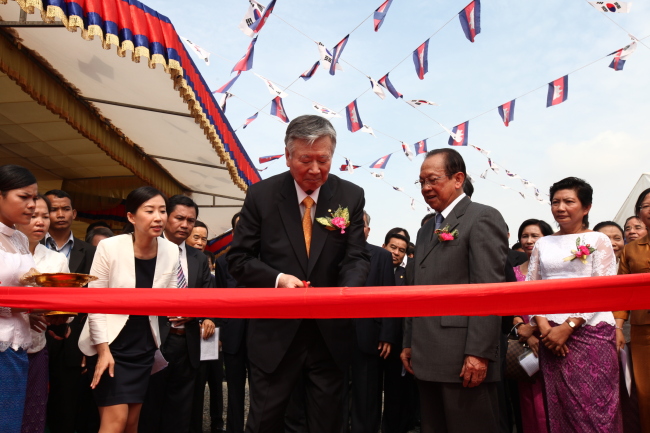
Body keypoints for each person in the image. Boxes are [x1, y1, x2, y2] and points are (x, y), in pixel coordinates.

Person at [227, 115, 370, 433]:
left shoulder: (350, 197)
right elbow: (238, 258)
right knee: (264, 422)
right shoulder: (262, 196)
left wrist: (344, 293)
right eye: (306, 159)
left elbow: (356, 257)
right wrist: (277, 280)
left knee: (328, 425)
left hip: (329, 336)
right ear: (288, 154)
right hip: (275, 336)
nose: (316, 169)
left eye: (324, 159)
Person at [401, 148, 507, 433]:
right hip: (426, 356)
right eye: (421, 182)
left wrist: (479, 353)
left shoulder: (482, 217)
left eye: (433, 180)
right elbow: (416, 289)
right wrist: (409, 341)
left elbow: (489, 290)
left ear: (458, 178)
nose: (426, 188)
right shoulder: (425, 231)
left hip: (464, 358)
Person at [78, 186, 180, 433]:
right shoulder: (110, 247)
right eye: (150, 210)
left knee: (132, 425)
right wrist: (103, 351)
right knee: (115, 423)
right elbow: (95, 302)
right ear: (131, 217)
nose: (158, 217)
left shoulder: (171, 250)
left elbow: (171, 297)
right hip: (110, 346)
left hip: (144, 347)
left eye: (163, 211)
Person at [528, 177, 621, 433]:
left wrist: (569, 325)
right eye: (555, 202)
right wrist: (546, 328)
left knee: (595, 409)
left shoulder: (598, 240)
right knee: (561, 408)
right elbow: (530, 288)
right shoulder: (542, 243)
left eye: (569, 201)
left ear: (586, 207)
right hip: (551, 336)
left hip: (591, 331)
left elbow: (603, 289)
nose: (560, 207)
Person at [138, 195, 216, 433]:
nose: (185, 225)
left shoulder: (199, 258)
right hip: (151, 342)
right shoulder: (145, 249)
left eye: (190, 220)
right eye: (179, 218)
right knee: (149, 409)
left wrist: (195, 315)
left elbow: (209, 298)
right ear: (166, 217)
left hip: (187, 344)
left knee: (180, 413)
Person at [43, 189, 97, 433]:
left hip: (73, 343)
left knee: (66, 412)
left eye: (65, 209)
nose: (60, 214)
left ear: (74, 213)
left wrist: (86, 346)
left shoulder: (91, 252)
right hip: (36, 335)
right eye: (53, 209)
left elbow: (93, 303)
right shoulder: (30, 246)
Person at [15, 194, 70, 433]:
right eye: (32, 215)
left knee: (33, 413)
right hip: (5, 344)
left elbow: (65, 306)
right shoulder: (6, 254)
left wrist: (58, 317)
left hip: (36, 347)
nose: (40, 222)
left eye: (44, 216)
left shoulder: (56, 260)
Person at [340, 211, 397, 433]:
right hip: (336, 335)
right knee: (337, 394)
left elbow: (389, 298)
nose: (356, 228)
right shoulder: (333, 252)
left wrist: (387, 335)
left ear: (368, 230)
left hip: (370, 337)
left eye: (360, 224)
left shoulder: (381, 256)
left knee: (367, 397)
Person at [0, 164, 40, 433]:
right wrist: (21, 305)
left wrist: (32, 310)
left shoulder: (20, 240)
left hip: (17, 346)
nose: (32, 205)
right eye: (23, 197)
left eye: (34, 198)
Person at [595, 221, 641, 433]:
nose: (612, 243)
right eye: (605, 238)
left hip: (631, 336)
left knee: (633, 392)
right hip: (597, 338)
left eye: (616, 238)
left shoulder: (631, 264)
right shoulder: (588, 265)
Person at [510, 219, 553, 433]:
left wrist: (536, 328)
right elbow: (510, 308)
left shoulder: (555, 270)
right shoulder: (513, 272)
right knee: (529, 399)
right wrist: (523, 331)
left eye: (535, 236)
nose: (529, 241)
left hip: (554, 337)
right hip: (525, 344)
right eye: (525, 236)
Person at [616, 188, 650, 433]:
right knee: (645, 393)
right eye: (647, 205)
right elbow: (621, 295)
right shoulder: (630, 250)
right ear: (640, 214)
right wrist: (618, 327)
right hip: (643, 332)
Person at [382, 231, 416, 433]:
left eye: (401, 250)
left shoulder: (407, 273)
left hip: (399, 340)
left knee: (397, 391)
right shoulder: (372, 266)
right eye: (393, 247)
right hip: (373, 339)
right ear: (384, 246)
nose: (396, 253)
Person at [219, 212, 249, 433]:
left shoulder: (267, 259)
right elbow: (218, 299)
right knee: (235, 391)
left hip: (262, 334)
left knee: (263, 390)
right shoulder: (222, 260)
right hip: (232, 335)